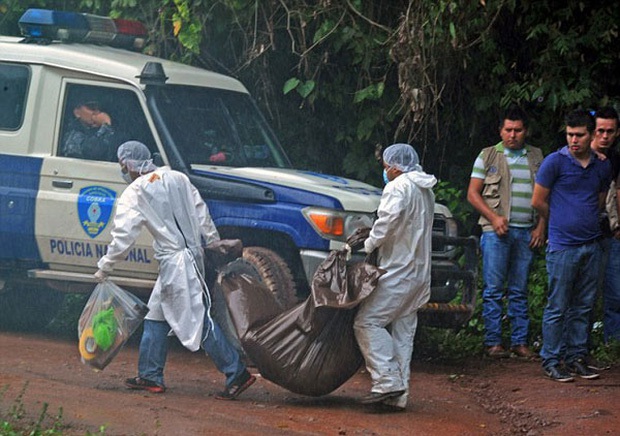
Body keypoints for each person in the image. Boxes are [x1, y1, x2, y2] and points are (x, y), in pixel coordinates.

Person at [94, 141, 255, 399]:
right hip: (192, 256)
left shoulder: (135, 192)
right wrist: (212, 242)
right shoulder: (177, 177)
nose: (123, 170)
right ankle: (150, 376)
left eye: (122, 165)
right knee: (155, 315)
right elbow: (201, 211)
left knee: (196, 321)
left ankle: (236, 372)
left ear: (127, 164)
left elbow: (123, 236)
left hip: (176, 263)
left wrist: (105, 266)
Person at [353, 143, 436, 410]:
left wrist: (368, 244)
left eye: (386, 166)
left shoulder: (398, 187)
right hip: (420, 275)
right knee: (403, 333)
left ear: (395, 166)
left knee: (367, 323)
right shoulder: (425, 190)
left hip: (398, 271)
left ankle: (386, 382)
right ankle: (399, 397)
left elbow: (386, 222)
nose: (385, 171)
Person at [531, 109, 612, 382]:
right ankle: (551, 359)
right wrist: (560, 221)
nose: (573, 140)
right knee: (558, 305)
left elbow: (600, 199)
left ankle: (576, 356)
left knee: (584, 305)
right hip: (563, 246)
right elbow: (538, 201)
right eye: (569, 135)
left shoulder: (602, 165)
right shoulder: (554, 162)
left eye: (579, 135)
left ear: (590, 135)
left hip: (591, 244)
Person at [466, 105, 544, 359]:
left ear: (526, 131)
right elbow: (472, 194)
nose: (513, 135)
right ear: (500, 130)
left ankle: (520, 343)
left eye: (518, 130)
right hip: (494, 232)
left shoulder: (537, 157)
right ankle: (493, 343)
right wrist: (493, 218)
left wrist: (542, 226)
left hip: (526, 232)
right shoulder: (488, 156)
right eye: (508, 130)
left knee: (520, 289)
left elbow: (546, 196)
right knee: (493, 289)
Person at [590, 107, 620, 349]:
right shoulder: (576, 156)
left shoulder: (616, 160)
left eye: (610, 131)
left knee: (614, 293)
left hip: (610, 234)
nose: (605, 136)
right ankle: (580, 346)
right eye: (600, 130)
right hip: (581, 236)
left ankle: (612, 345)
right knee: (581, 295)